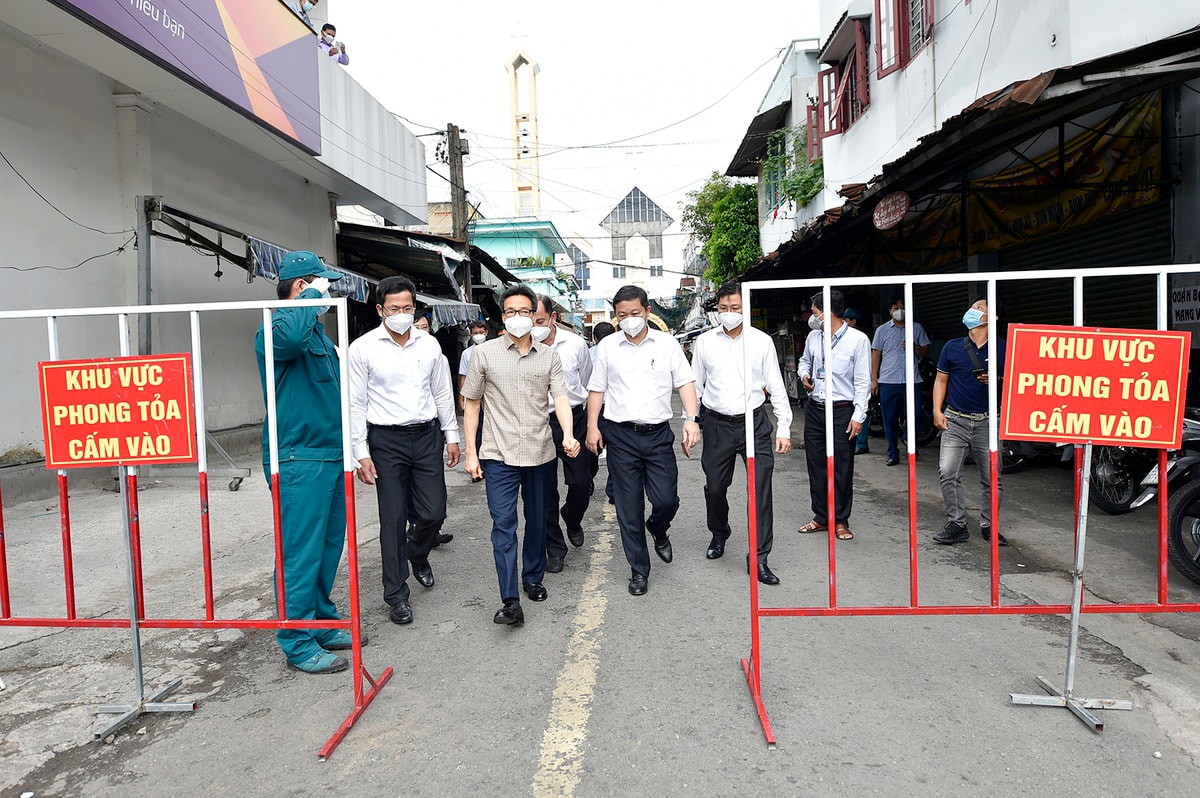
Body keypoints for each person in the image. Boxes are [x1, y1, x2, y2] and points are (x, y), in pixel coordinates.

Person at [254, 250, 355, 675]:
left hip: (330, 452)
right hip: (298, 457)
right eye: (322, 283)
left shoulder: (316, 334)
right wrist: (308, 299)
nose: (328, 292)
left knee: (328, 547)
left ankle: (320, 620)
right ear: (302, 286)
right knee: (300, 551)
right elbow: (290, 338)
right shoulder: (276, 327)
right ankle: (296, 638)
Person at [462, 285, 580, 627]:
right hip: (497, 454)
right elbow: (472, 404)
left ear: (535, 315)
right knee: (503, 525)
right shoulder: (484, 355)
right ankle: (510, 599)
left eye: (524, 312)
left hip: (540, 452)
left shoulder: (549, 356)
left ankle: (532, 576)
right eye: (511, 312)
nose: (518, 318)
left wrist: (569, 435)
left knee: (538, 520)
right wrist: (472, 452)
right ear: (503, 317)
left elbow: (560, 398)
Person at [349, 278, 460, 627]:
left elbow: (443, 393)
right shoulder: (362, 349)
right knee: (393, 519)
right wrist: (360, 452)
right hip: (386, 441)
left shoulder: (429, 346)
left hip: (427, 436)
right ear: (380, 310)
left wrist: (451, 435)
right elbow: (355, 403)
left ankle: (418, 551)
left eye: (408, 309)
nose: (402, 315)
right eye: (394, 309)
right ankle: (396, 595)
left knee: (434, 511)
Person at [586, 285, 701, 596]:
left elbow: (686, 383)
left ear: (647, 311)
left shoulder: (667, 345)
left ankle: (658, 528)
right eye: (622, 315)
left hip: (658, 435)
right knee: (628, 506)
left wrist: (692, 420)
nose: (629, 320)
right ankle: (639, 570)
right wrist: (592, 428)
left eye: (635, 314)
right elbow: (596, 390)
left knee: (666, 499)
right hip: (620, 436)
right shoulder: (608, 346)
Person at [691, 282, 792, 585]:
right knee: (714, 488)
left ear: (745, 310)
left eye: (735, 308)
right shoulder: (705, 342)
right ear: (717, 310)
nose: (730, 314)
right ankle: (719, 532)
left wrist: (784, 426)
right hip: (717, 425)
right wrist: (691, 422)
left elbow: (776, 385)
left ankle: (759, 557)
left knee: (759, 491)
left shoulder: (761, 342)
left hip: (755, 424)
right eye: (724, 309)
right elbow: (695, 386)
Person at [797, 289, 871, 541]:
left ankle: (840, 520)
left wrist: (859, 415)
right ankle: (820, 516)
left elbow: (863, 381)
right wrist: (804, 375)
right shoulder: (813, 337)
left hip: (842, 411)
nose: (812, 317)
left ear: (827, 313)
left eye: (815, 313)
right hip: (815, 409)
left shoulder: (858, 340)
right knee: (815, 464)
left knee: (842, 466)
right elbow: (804, 362)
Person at [932, 298, 1007, 546]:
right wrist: (936, 410)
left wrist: (997, 380)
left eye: (980, 308)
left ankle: (990, 525)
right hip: (955, 420)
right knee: (948, 472)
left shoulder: (1003, 348)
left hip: (989, 421)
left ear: (993, 318)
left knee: (992, 478)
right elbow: (941, 380)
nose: (973, 311)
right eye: (973, 307)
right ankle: (957, 523)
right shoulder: (952, 347)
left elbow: (1018, 383)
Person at [531, 295, 597, 573]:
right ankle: (554, 547)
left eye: (540, 321)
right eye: (530, 321)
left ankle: (572, 517)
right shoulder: (520, 346)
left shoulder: (575, 345)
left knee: (582, 482)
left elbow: (587, 381)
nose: (534, 327)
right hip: (537, 422)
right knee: (544, 492)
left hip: (575, 418)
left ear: (553, 318)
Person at [409, 312, 454, 548]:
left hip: (430, 429)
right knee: (406, 488)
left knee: (433, 488)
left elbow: (443, 394)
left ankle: (429, 528)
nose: (422, 330)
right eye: (418, 326)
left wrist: (450, 430)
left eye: (425, 326)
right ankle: (415, 527)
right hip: (396, 434)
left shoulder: (436, 354)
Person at [871, 295, 931, 466]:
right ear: (890, 311)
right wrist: (874, 379)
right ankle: (893, 452)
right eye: (896, 307)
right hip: (889, 380)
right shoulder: (882, 330)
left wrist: (916, 347)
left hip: (912, 380)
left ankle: (908, 439)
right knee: (889, 418)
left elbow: (925, 350)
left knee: (917, 414)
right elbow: (876, 354)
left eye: (902, 307)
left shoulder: (916, 328)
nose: (899, 310)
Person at [459, 319, 489, 482]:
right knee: (475, 433)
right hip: (473, 398)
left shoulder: (494, 350)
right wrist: (461, 399)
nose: (478, 336)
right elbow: (463, 377)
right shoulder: (467, 354)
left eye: (481, 332)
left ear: (486, 332)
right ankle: (476, 467)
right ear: (471, 334)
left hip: (489, 399)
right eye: (475, 333)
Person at [591, 320, 617, 503]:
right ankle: (613, 490)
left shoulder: (590, 353)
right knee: (617, 452)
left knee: (592, 449)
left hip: (596, 409)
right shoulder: (621, 351)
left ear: (594, 338)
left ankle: (588, 481)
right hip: (616, 408)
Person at [843, 308, 871, 455]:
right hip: (846, 386)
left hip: (857, 384)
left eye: (846, 320)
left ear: (853, 322)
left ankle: (861, 442)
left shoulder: (860, 339)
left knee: (860, 411)